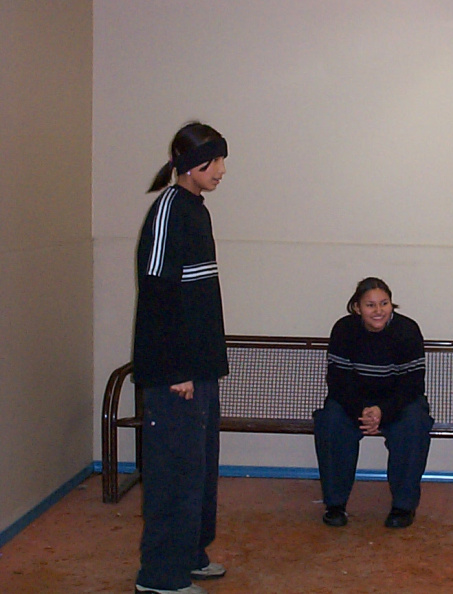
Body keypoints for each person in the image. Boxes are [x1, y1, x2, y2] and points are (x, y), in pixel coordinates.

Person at [132, 122, 230, 594]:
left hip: (199, 368)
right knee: (173, 474)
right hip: (176, 373)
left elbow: (195, 297)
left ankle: (189, 554)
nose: (223, 171)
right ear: (194, 165)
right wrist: (177, 370)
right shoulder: (169, 209)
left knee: (198, 470)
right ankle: (160, 577)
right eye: (216, 162)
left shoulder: (196, 210)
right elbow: (157, 294)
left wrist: (201, 365)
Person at [313, 277, 433, 529]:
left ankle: (403, 507)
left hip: (398, 401)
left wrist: (383, 412)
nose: (378, 311)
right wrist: (363, 411)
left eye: (384, 303)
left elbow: (413, 384)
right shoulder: (344, 329)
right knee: (331, 421)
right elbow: (337, 381)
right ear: (357, 308)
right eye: (370, 305)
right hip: (355, 402)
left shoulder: (407, 330)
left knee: (414, 424)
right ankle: (335, 505)